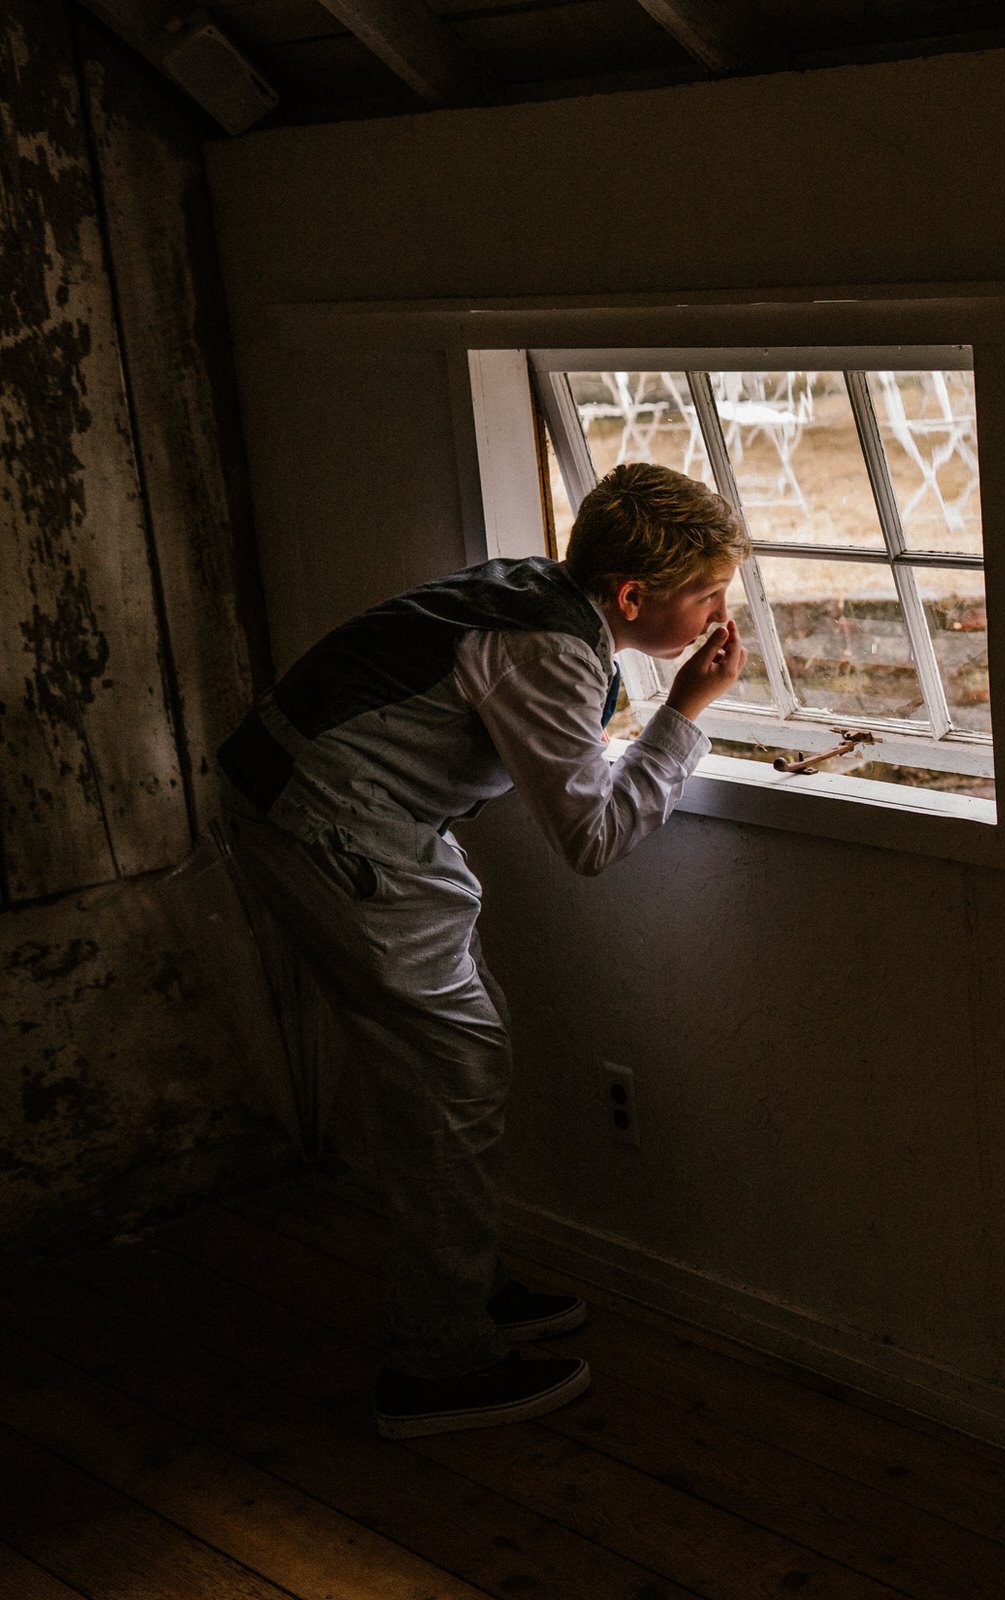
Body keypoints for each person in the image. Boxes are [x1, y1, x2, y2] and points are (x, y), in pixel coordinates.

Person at [217, 461, 749, 1438]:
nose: (727, 608)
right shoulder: (552, 651)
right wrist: (684, 713)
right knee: (451, 1068)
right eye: (708, 591)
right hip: (331, 824)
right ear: (632, 597)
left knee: (457, 1055)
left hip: (332, 808)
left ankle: (457, 1286)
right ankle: (436, 1364)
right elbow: (593, 837)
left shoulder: (537, 596)